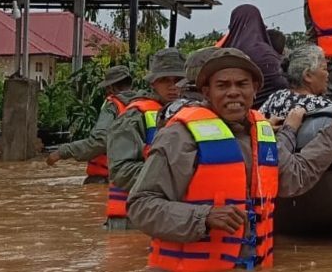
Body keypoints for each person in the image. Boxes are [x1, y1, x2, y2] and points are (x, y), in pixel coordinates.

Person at [128, 48, 332, 272]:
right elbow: (140, 206)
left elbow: (295, 178)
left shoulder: (262, 133)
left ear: (255, 90)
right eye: (223, 85)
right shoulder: (179, 136)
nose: (233, 92)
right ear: (206, 92)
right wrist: (204, 217)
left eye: (242, 84)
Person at [106, 48, 186, 229]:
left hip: (169, 217)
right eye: (165, 80)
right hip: (131, 222)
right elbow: (120, 171)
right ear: (153, 83)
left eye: (178, 80)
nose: (173, 86)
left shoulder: (191, 115)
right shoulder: (133, 117)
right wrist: (173, 176)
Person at [46, 65, 134, 184]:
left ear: (111, 88)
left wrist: (63, 151)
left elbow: (100, 141)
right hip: (133, 178)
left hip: (109, 179)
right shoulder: (143, 105)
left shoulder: (113, 106)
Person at [215, 5, 289, 109]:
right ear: (259, 23)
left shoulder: (223, 53)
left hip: (230, 109)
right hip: (267, 112)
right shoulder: (266, 53)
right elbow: (281, 83)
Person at [260, 44, 332, 121]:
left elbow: (257, 121)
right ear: (307, 76)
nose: (327, 74)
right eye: (324, 69)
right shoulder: (324, 106)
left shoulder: (276, 97)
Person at [157, 47, 218, 128]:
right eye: (222, 85)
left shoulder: (172, 110)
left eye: (178, 79)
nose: (172, 86)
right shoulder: (199, 111)